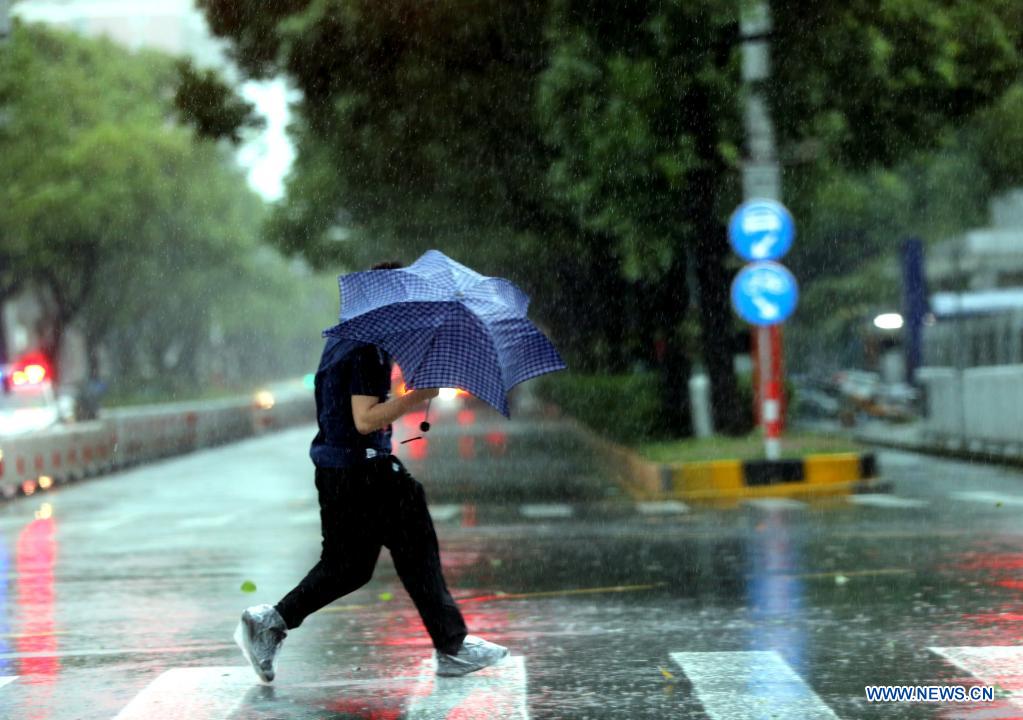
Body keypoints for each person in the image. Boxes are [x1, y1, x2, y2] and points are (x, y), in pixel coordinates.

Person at [234, 261, 508, 683]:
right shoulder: (366, 348)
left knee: (349, 566)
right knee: (413, 533)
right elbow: (364, 419)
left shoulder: (348, 338)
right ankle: (451, 645)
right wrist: (415, 396)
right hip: (362, 471)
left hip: (338, 471)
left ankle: (270, 622)